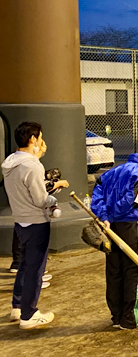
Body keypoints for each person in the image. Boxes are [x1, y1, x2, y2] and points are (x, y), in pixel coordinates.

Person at [91, 152, 138, 329]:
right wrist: (113, 214)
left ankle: (117, 316)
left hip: (110, 227)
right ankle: (131, 317)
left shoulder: (114, 171)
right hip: (131, 224)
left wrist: (105, 216)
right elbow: (134, 200)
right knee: (134, 268)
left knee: (114, 269)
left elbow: (98, 190)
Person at [3, 122, 59, 329]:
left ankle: (17, 307)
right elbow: (40, 199)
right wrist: (53, 200)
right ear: (33, 139)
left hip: (20, 221)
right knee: (35, 269)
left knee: (25, 266)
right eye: (40, 138)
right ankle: (29, 315)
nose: (42, 142)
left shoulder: (10, 161)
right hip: (36, 222)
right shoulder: (33, 165)